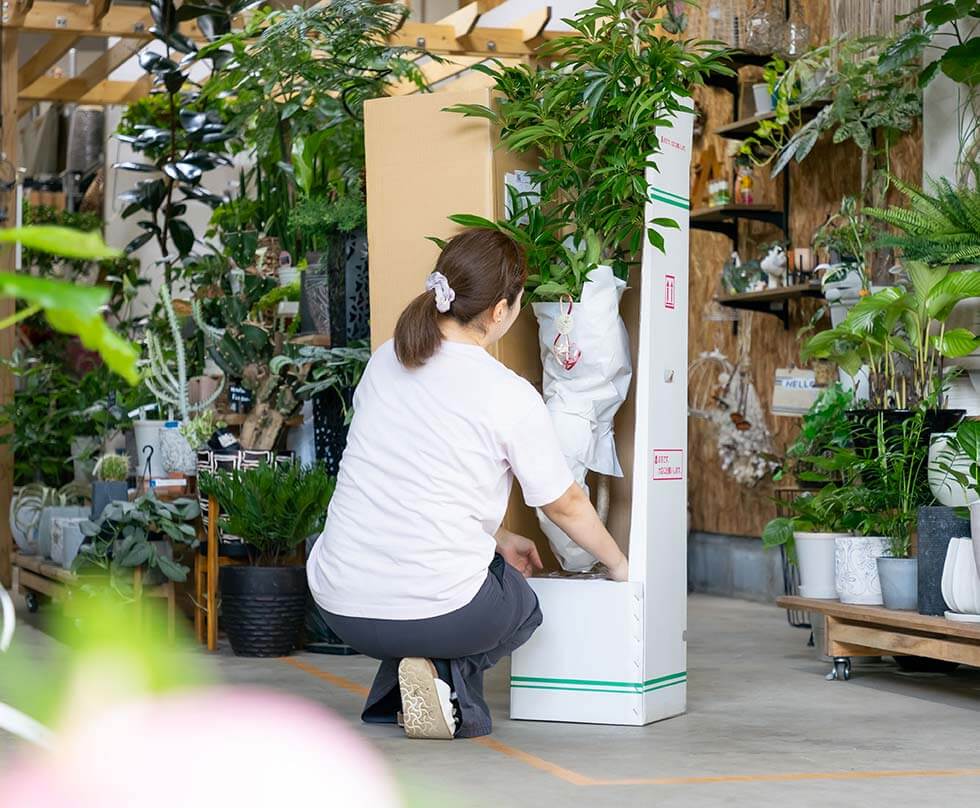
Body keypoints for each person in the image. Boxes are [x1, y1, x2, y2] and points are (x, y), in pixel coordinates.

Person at [307, 228, 628, 740]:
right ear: (500, 311)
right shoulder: (506, 392)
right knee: (521, 607)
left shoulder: (386, 359)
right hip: (437, 607)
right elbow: (565, 504)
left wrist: (496, 540)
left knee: (470, 582)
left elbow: (406, 478)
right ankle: (442, 686)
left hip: (338, 602)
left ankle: (411, 685)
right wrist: (618, 564)